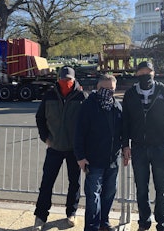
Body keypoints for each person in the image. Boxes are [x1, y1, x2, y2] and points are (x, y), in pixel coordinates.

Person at [122, 61, 164, 231]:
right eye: (141, 72)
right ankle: (143, 222)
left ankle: (163, 224)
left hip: (160, 147)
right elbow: (125, 122)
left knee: (162, 190)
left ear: (154, 73)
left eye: (148, 72)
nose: (145, 75)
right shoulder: (130, 94)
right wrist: (125, 144)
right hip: (138, 148)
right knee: (141, 189)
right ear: (137, 74)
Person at [33, 66, 88, 231]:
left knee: (74, 183)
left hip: (74, 149)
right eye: (63, 79)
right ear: (58, 79)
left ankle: (71, 213)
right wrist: (45, 137)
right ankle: (40, 216)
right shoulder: (49, 95)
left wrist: (84, 145)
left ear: (74, 79)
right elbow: (40, 117)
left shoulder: (82, 96)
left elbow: (88, 122)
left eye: (69, 80)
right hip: (55, 147)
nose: (66, 82)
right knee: (47, 183)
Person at [74, 74, 123, 231]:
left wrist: (126, 147)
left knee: (109, 194)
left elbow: (123, 130)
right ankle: (92, 227)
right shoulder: (88, 106)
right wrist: (80, 157)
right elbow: (78, 132)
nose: (108, 92)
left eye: (111, 89)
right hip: (93, 159)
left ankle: (104, 222)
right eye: (105, 88)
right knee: (93, 197)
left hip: (112, 159)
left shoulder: (117, 106)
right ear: (97, 88)